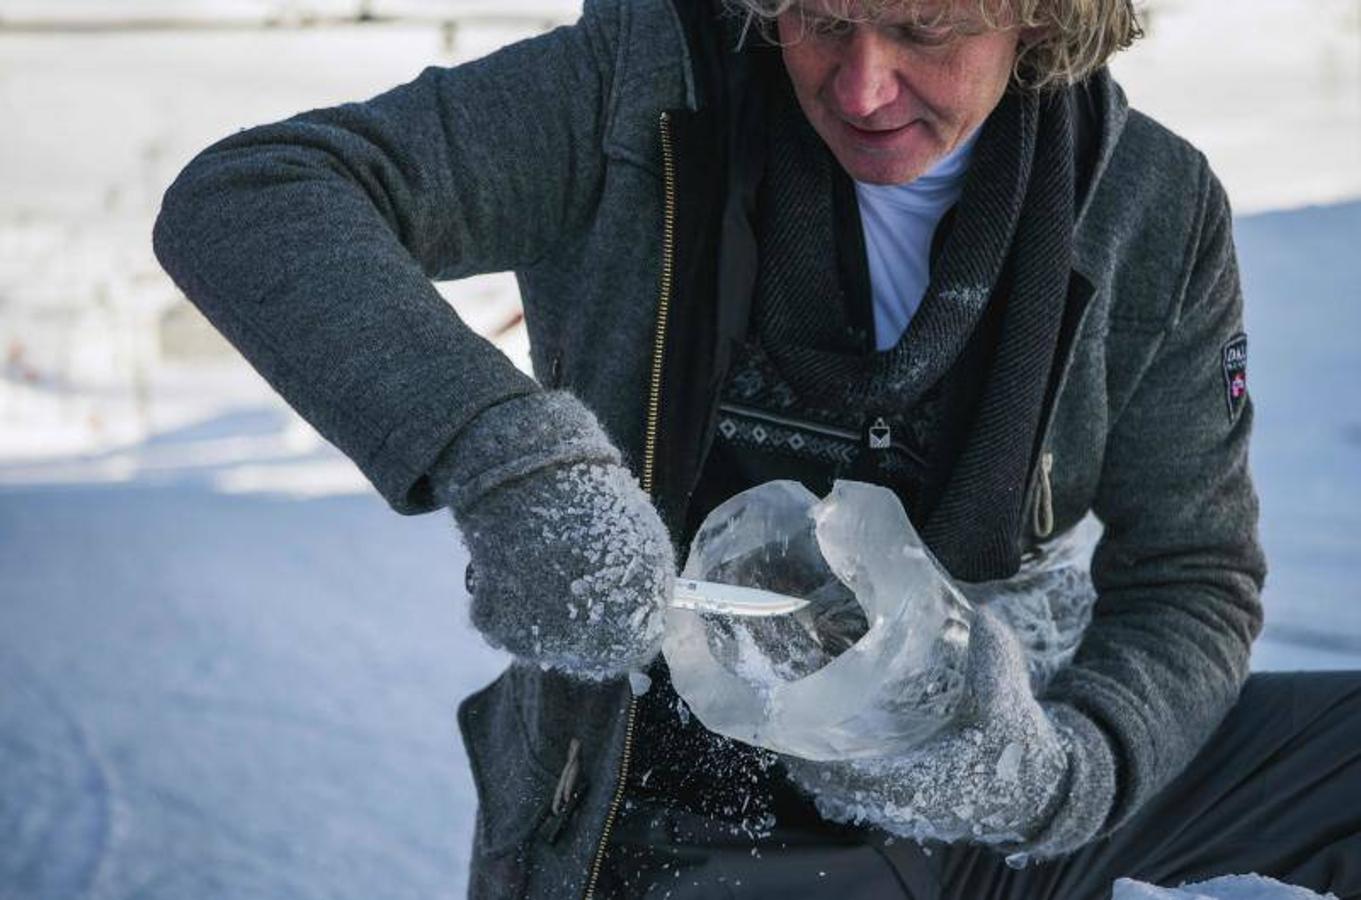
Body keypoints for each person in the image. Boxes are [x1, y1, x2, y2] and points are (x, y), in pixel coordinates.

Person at [152, 0, 1361, 897]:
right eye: (816, 18)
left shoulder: (1151, 203)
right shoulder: (631, 98)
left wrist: (1069, 772)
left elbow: (1192, 579)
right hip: (684, 812)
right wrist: (506, 451)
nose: (862, 86)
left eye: (925, 25)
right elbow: (257, 195)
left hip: (1011, 772)